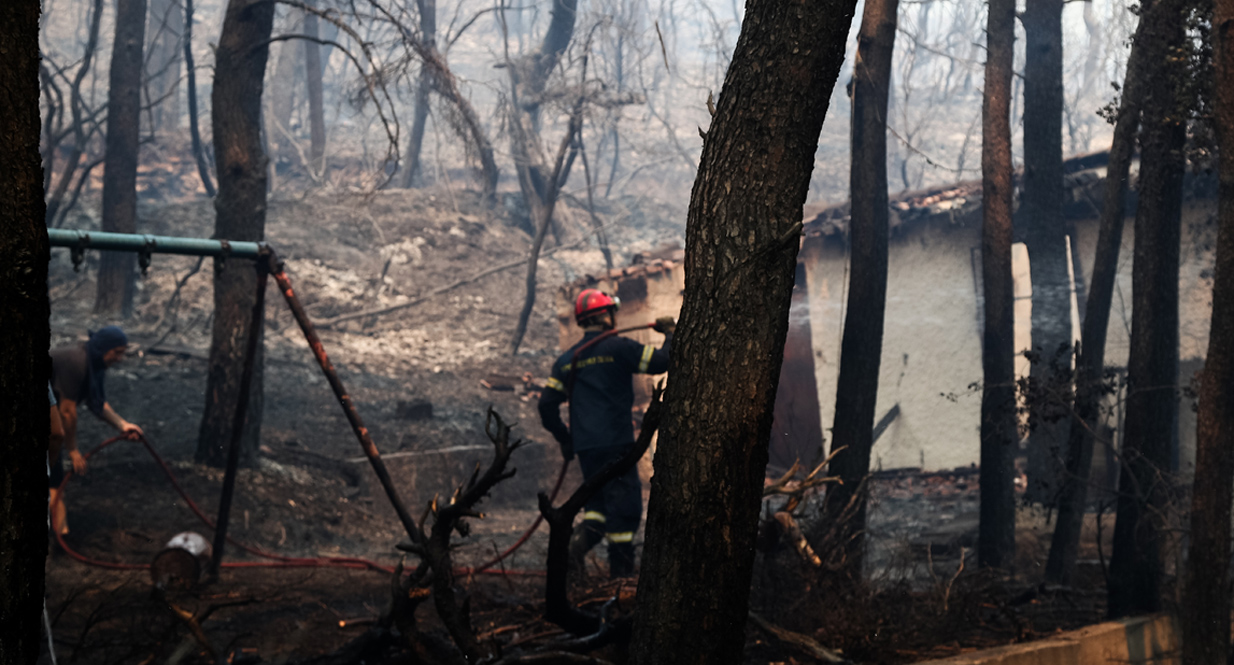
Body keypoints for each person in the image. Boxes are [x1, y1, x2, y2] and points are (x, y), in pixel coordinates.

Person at [538, 289, 675, 578]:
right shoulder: (619, 348)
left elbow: (546, 405)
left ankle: (573, 556)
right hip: (618, 446)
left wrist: (566, 439)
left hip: (587, 449)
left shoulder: (566, 360)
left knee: (597, 510)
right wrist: (671, 332)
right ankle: (621, 581)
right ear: (604, 315)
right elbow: (663, 361)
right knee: (624, 512)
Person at [49, 326, 143, 533]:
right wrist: (72, 449)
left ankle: (61, 535)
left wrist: (122, 424)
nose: (120, 358)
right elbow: (67, 411)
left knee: (53, 477)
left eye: (123, 353)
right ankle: (59, 534)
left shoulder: (94, 365)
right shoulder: (76, 362)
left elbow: (98, 403)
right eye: (117, 352)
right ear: (103, 348)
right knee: (52, 473)